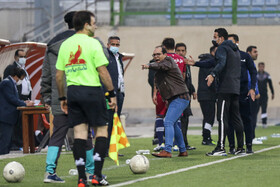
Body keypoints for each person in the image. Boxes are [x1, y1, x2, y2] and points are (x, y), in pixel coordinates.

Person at [55, 10, 116, 186]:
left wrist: (62, 98)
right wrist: (111, 94)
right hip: (92, 92)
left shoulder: (65, 45)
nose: (96, 26)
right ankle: (96, 175)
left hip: (73, 92)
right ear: (86, 25)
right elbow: (102, 71)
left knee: (80, 134)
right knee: (102, 132)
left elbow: (59, 76)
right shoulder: (93, 43)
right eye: (94, 23)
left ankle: (82, 178)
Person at [41, 11, 96, 184]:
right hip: (81, 94)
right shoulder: (84, 42)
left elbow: (47, 74)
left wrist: (48, 97)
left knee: (57, 135)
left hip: (60, 96)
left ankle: (49, 172)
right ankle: (90, 172)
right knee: (85, 135)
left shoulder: (52, 45)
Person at [142, 46, 189, 158]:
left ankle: (167, 150)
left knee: (167, 122)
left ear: (165, 54)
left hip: (180, 97)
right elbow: (161, 86)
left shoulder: (168, 61)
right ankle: (183, 150)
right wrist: (165, 100)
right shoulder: (159, 71)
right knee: (173, 124)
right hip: (174, 99)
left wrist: (149, 65)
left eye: (158, 54)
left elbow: (161, 65)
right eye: (154, 55)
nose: (156, 57)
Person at [204, 28, 244, 156]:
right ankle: (240, 148)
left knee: (221, 118)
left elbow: (221, 62)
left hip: (225, 88)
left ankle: (220, 147)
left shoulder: (222, 48)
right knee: (236, 118)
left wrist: (213, 74)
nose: (214, 39)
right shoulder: (236, 50)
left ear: (221, 38)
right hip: (235, 88)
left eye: (215, 36)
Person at [227, 34, 257, 154]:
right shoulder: (225, 56)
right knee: (230, 121)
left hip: (243, 92)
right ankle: (232, 147)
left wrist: (252, 88)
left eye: (231, 42)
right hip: (230, 92)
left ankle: (249, 145)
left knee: (246, 119)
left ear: (237, 42)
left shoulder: (245, 56)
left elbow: (253, 72)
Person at [0, 67, 34, 155]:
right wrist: (25, 104)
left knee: (8, 139)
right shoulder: (6, 83)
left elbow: (14, 98)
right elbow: (11, 98)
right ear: (15, 76)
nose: (20, 81)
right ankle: (2, 155)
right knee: (5, 138)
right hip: (6, 115)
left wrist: (23, 102)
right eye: (20, 78)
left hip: (10, 115)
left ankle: (5, 154)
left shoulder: (12, 83)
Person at [3, 49, 32, 149]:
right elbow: (8, 87)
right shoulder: (11, 68)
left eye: (25, 56)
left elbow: (27, 84)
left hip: (24, 98)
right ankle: (15, 144)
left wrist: (28, 99)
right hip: (16, 99)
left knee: (22, 123)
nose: (23, 59)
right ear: (15, 57)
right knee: (16, 123)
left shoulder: (24, 69)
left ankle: (23, 143)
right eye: (21, 57)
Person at [105, 36, 125, 155]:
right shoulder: (106, 57)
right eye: (113, 44)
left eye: (117, 45)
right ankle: (106, 148)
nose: (115, 47)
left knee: (115, 121)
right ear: (108, 45)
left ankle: (113, 148)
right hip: (110, 94)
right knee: (109, 120)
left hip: (120, 92)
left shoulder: (119, 58)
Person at [175, 42, 196, 150]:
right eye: (178, 50)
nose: (181, 53)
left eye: (183, 51)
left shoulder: (186, 63)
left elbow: (188, 79)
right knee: (177, 119)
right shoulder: (173, 63)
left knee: (185, 118)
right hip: (177, 95)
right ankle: (177, 143)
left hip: (186, 95)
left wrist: (192, 90)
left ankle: (184, 142)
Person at [195, 46, 217, 145]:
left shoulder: (205, 62)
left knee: (208, 116)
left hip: (204, 94)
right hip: (208, 94)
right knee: (209, 116)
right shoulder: (210, 63)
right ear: (213, 52)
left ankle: (206, 136)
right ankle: (206, 137)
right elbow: (212, 81)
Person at [246, 46, 262, 144]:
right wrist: (254, 92)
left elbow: (254, 81)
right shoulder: (247, 64)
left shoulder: (252, 64)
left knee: (253, 117)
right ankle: (250, 138)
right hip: (250, 94)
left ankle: (252, 136)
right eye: (254, 52)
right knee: (250, 117)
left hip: (255, 94)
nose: (257, 53)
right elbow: (249, 79)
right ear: (249, 52)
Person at [256, 62, 274, 128]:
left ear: (264, 67)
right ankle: (254, 123)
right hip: (257, 95)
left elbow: (270, 85)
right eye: (260, 66)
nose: (261, 68)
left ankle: (264, 123)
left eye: (262, 67)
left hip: (264, 95)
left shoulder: (267, 75)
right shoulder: (255, 75)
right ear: (258, 67)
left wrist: (272, 93)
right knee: (255, 109)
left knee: (264, 109)